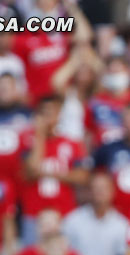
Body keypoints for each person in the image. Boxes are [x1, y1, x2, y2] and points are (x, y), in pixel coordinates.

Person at [18, 95, 91, 243]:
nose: (48, 118)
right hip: (34, 214)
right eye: (43, 113)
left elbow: (83, 176)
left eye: (52, 113)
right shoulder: (26, 141)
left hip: (65, 212)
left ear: (59, 115)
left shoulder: (72, 143)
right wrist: (39, 136)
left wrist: (47, 173)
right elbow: (30, 171)